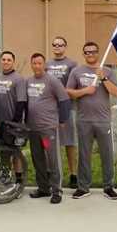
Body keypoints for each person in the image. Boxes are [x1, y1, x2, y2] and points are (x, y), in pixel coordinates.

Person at [67, 41, 117, 201]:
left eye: (93, 51)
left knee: (107, 155)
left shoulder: (107, 71)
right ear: (84, 54)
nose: (90, 54)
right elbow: (69, 92)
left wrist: (103, 78)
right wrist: (85, 91)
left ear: (98, 53)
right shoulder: (76, 71)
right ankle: (83, 187)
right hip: (84, 120)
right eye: (87, 52)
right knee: (84, 155)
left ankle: (109, 187)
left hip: (103, 120)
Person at [26, 53, 72, 204]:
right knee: (38, 159)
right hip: (33, 129)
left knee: (53, 159)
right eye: (34, 63)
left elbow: (64, 99)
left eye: (39, 63)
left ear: (44, 65)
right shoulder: (29, 81)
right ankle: (43, 188)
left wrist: (63, 119)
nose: (37, 66)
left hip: (48, 129)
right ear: (31, 65)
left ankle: (56, 190)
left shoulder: (52, 80)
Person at [46, 36, 79, 189]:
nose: (57, 47)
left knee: (69, 142)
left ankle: (73, 175)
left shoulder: (72, 64)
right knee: (49, 143)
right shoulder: (47, 65)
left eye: (60, 45)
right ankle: (51, 172)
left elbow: (74, 87)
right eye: (55, 44)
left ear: (65, 47)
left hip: (67, 107)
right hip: (50, 109)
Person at [0, 51, 28, 186]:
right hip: (0, 122)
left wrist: (15, 122)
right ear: (0, 61)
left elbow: (21, 102)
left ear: (13, 62)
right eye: (4, 59)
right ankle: (5, 176)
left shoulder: (19, 79)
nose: (6, 62)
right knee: (3, 151)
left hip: (13, 122)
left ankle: (19, 179)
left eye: (9, 60)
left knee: (15, 151)